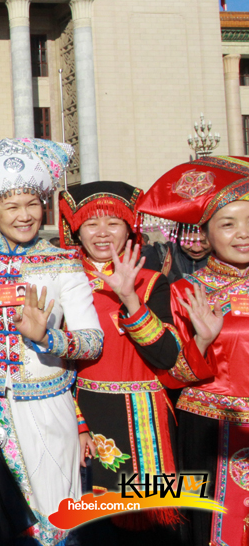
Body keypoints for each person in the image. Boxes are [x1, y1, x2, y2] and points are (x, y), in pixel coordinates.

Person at [0, 138, 104, 546]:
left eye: (33, 204)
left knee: (56, 518)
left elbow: (92, 341)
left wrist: (48, 337)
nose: (25, 215)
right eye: (12, 206)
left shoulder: (64, 263)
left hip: (49, 408)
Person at [57, 181, 182, 543]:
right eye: (91, 224)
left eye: (113, 223)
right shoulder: (64, 279)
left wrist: (130, 299)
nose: (102, 233)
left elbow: (167, 355)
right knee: (94, 521)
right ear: (75, 230)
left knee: (155, 525)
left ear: (130, 228)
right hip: (86, 410)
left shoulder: (151, 281)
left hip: (146, 414)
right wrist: (78, 423)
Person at [135, 156, 249, 546]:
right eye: (228, 224)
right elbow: (173, 376)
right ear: (205, 232)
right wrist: (201, 339)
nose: (242, 234)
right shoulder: (187, 291)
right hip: (211, 429)